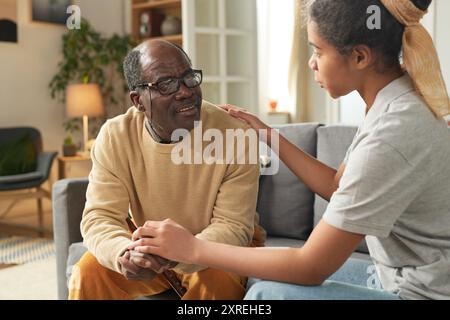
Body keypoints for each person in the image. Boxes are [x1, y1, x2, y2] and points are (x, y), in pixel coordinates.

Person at [127, 0, 450, 300]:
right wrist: (270, 136)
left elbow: (310, 267)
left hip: (425, 292)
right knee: (257, 277)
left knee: (266, 295)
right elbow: (342, 188)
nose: (311, 63)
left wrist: (192, 248)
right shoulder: (393, 102)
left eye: (318, 51)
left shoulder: (391, 134)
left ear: (360, 57)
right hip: (398, 275)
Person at [68, 39, 265, 300]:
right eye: (166, 84)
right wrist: (125, 253)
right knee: (88, 272)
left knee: (215, 279)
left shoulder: (235, 134)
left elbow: (233, 227)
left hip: (219, 250)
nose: (185, 91)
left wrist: (181, 250)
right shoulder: (115, 136)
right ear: (139, 101)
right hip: (154, 252)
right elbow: (100, 216)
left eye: (189, 78)